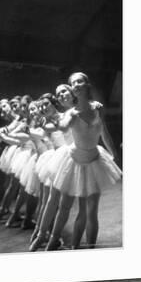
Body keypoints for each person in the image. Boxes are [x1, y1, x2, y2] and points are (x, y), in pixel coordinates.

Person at [29, 73, 122, 251]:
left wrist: (114, 155)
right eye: (73, 83)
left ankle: (88, 248)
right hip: (73, 160)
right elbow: (61, 126)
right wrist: (43, 122)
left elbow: (105, 133)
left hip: (94, 159)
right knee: (57, 202)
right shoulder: (71, 113)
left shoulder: (97, 108)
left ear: (86, 84)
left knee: (91, 210)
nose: (76, 85)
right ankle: (47, 238)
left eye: (79, 81)